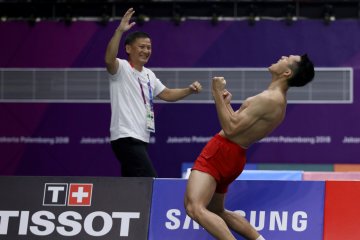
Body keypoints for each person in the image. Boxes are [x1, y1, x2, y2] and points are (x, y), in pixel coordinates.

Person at [184, 54, 315, 240]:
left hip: (221, 152)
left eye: (287, 58)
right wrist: (227, 105)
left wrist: (216, 94)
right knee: (217, 210)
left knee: (194, 207)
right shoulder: (278, 100)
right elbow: (237, 127)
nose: (282, 57)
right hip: (235, 155)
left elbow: (230, 129)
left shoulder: (269, 98)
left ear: (287, 72)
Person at [105, 8, 202, 177]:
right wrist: (120, 30)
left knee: (133, 186)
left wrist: (189, 90)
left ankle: (128, 204)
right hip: (125, 136)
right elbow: (108, 59)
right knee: (150, 181)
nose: (146, 51)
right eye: (141, 47)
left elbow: (167, 94)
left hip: (142, 138)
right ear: (128, 48)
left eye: (149, 47)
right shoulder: (121, 68)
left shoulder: (149, 74)